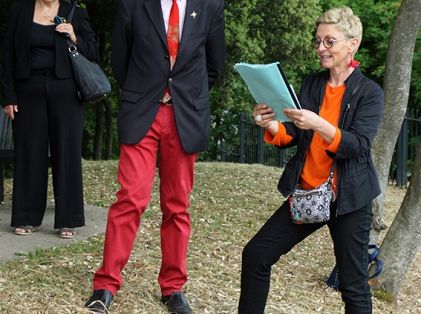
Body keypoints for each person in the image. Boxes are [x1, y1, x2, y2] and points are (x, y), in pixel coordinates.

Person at [239, 7, 384, 314]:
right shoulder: (313, 84)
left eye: (329, 41)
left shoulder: (369, 92)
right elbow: (293, 134)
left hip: (350, 199)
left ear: (352, 44)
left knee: (353, 285)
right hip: (308, 192)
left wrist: (317, 123)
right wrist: (269, 124)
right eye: (318, 41)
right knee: (256, 255)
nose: (321, 48)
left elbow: (357, 145)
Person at [84, 0, 225, 313]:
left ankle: (173, 288)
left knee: (177, 205)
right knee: (130, 199)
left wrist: (181, 95)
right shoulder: (132, 5)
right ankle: (105, 285)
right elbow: (121, 61)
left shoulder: (211, 6)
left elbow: (214, 65)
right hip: (141, 113)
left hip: (184, 117)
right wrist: (147, 91)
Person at [1, 0, 98, 238]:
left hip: (66, 91)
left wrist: (74, 35)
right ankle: (26, 217)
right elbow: (7, 55)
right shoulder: (20, 11)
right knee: (29, 152)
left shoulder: (75, 12)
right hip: (27, 90)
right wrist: (8, 96)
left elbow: (93, 51)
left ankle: (68, 219)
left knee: (66, 152)